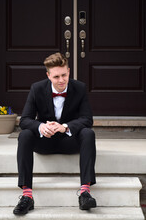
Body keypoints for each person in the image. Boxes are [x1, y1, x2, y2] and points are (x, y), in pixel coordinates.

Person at [13, 52, 96, 215]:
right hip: (45, 141)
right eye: (56, 76)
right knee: (24, 135)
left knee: (88, 133)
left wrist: (65, 127)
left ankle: (85, 193)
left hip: (69, 141)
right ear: (48, 75)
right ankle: (26, 196)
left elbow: (87, 119)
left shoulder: (79, 88)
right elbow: (25, 120)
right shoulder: (37, 88)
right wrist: (41, 127)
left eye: (64, 75)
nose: (61, 80)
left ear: (69, 71)